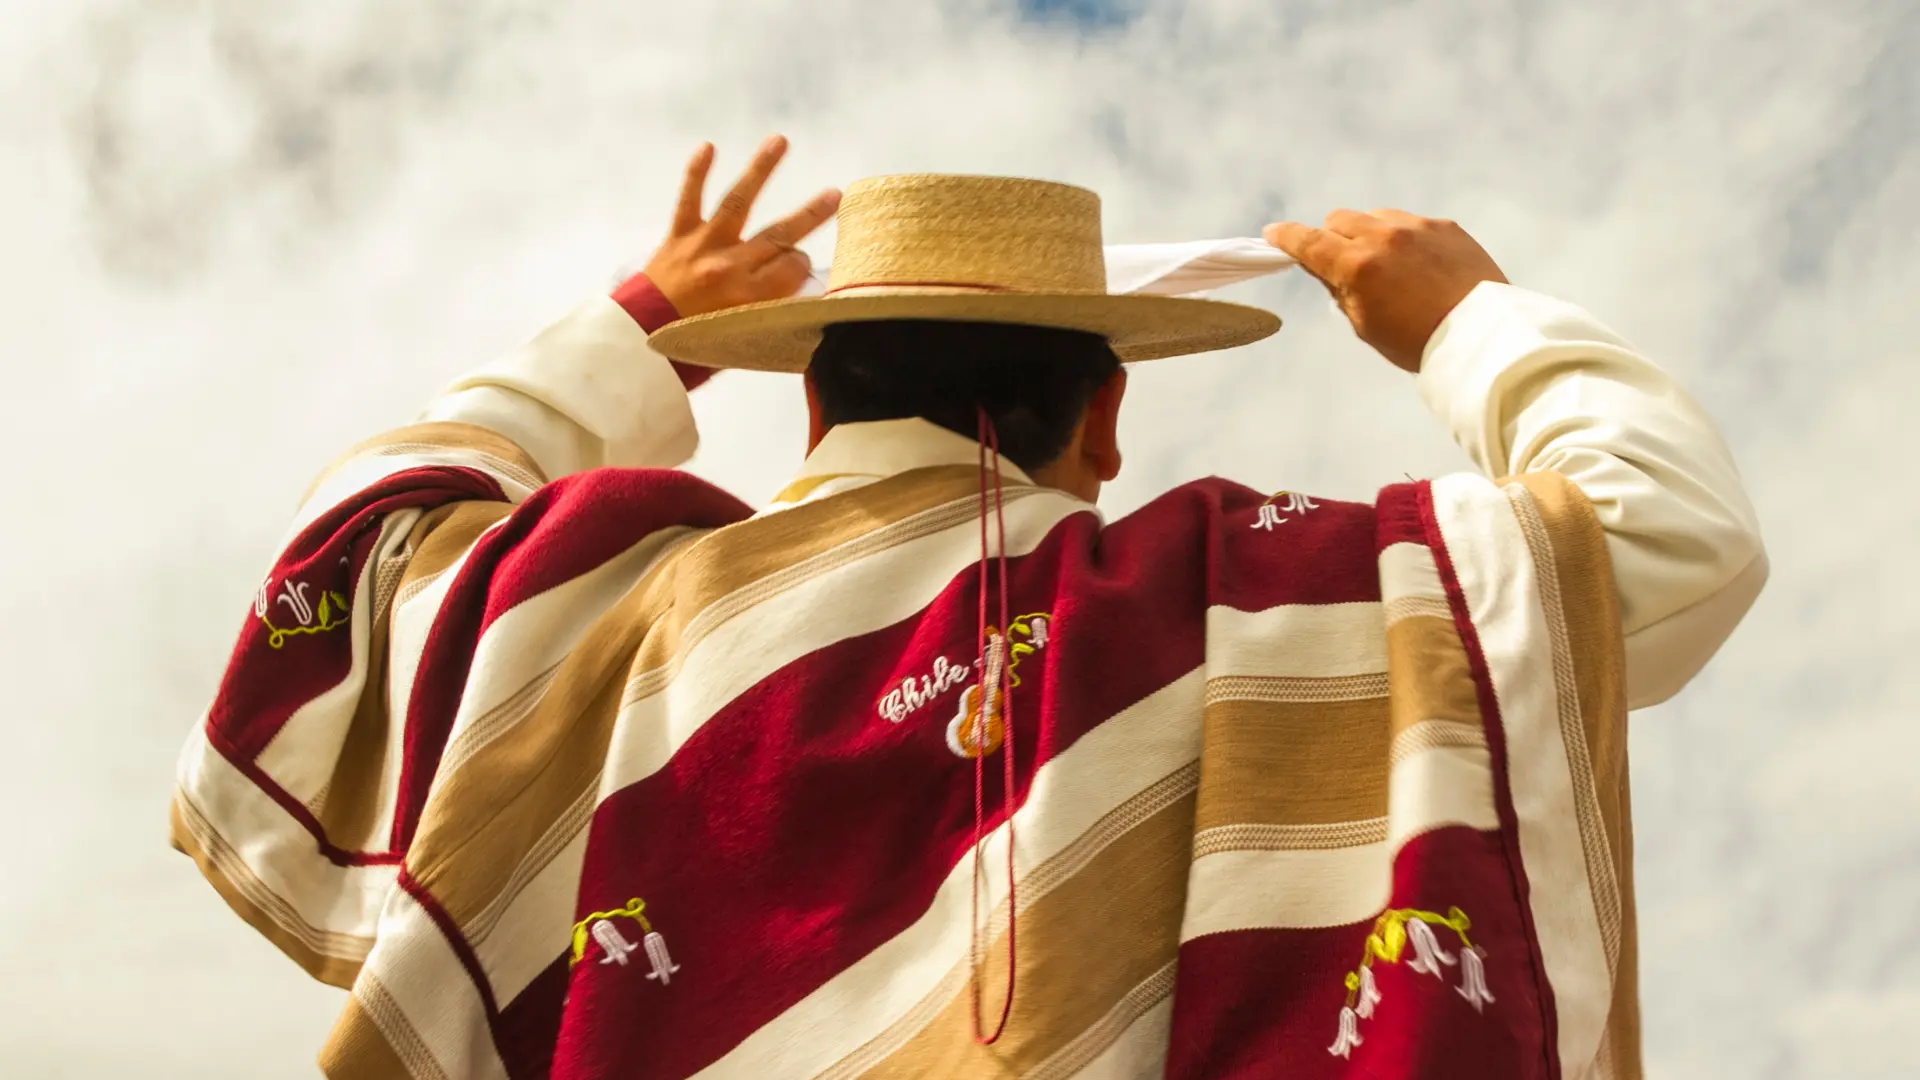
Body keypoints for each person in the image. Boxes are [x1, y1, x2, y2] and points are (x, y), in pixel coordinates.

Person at [170, 135, 1765, 1079]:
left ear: (809, 404)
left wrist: (633, 330)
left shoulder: (591, 613)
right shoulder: (1228, 607)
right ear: (1109, 412)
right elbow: (1668, 537)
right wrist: (1465, 323)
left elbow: (345, 560)